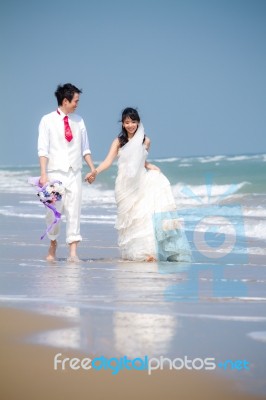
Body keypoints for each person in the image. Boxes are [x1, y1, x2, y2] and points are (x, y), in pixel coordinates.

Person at [86, 107, 191, 262]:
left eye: (133, 122)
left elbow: (139, 161)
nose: (130, 125)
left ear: (138, 123)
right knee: (129, 219)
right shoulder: (118, 141)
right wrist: (95, 172)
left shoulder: (146, 141)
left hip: (140, 183)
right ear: (122, 124)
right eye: (127, 122)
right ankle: (133, 253)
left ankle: (148, 253)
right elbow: (108, 161)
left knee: (143, 217)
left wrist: (149, 166)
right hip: (123, 186)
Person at [38, 83, 95, 262]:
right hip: (55, 173)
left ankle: (73, 252)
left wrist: (92, 168)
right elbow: (43, 150)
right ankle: (53, 243)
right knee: (53, 212)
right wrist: (44, 174)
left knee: (74, 210)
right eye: (75, 101)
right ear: (65, 100)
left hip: (74, 173)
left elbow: (85, 148)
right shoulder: (47, 120)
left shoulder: (79, 120)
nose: (77, 104)